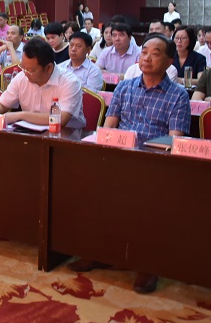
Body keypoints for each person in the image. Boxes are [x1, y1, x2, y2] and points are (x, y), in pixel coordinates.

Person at [76, 34, 191, 294]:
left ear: (169, 61)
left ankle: (148, 265)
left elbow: (175, 141)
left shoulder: (178, 96)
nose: (147, 58)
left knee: (147, 202)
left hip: (155, 165)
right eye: (144, 52)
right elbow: (108, 128)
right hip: (119, 159)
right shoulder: (124, 88)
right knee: (90, 189)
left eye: (155, 53)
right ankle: (98, 252)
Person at [0, 37, 85, 128]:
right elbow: (2, 104)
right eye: (23, 67)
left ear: (48, 68)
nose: (25, 73)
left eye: (30, 70)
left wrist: (21, 115)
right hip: (30, 133)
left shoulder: (70, 82)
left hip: (67, 135)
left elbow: (60, 119)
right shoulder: (21, 77)